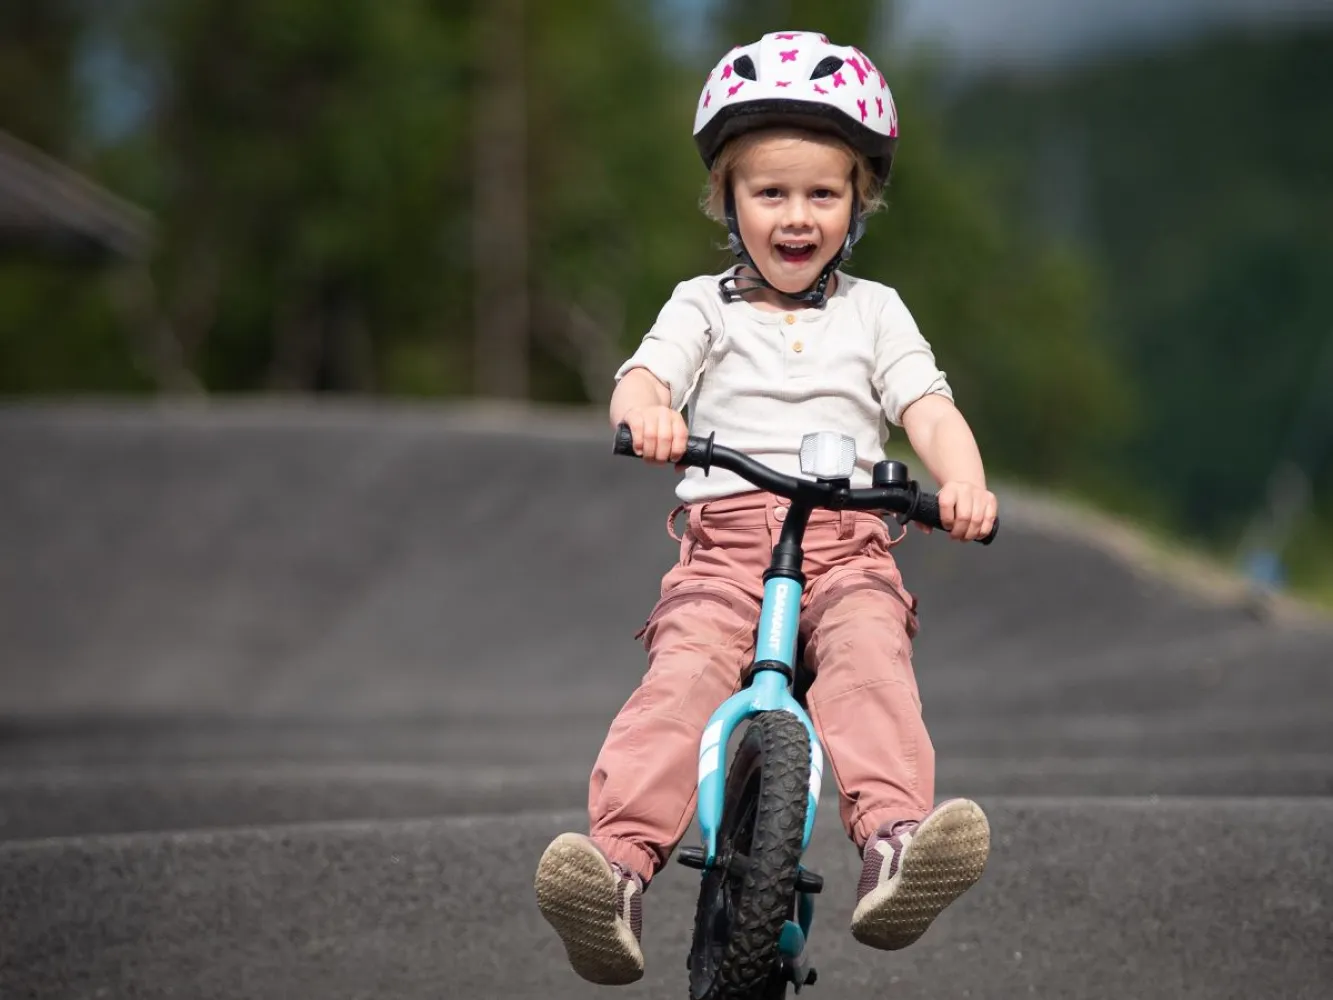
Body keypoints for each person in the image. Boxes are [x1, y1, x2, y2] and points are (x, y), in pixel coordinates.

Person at [533, 30, 997, 986]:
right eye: (769, 193)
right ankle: (615, 875)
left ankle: (897, 848)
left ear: (858, 201)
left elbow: (927, 407)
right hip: (723, 550)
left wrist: (962, 479)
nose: (796, 216)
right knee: (681, 683)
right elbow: (642, 379)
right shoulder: (702, 307)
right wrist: (651, 417)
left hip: (848, 545)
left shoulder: (875, 313)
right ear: (727, 198)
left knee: (868, 660)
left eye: (822, 194)